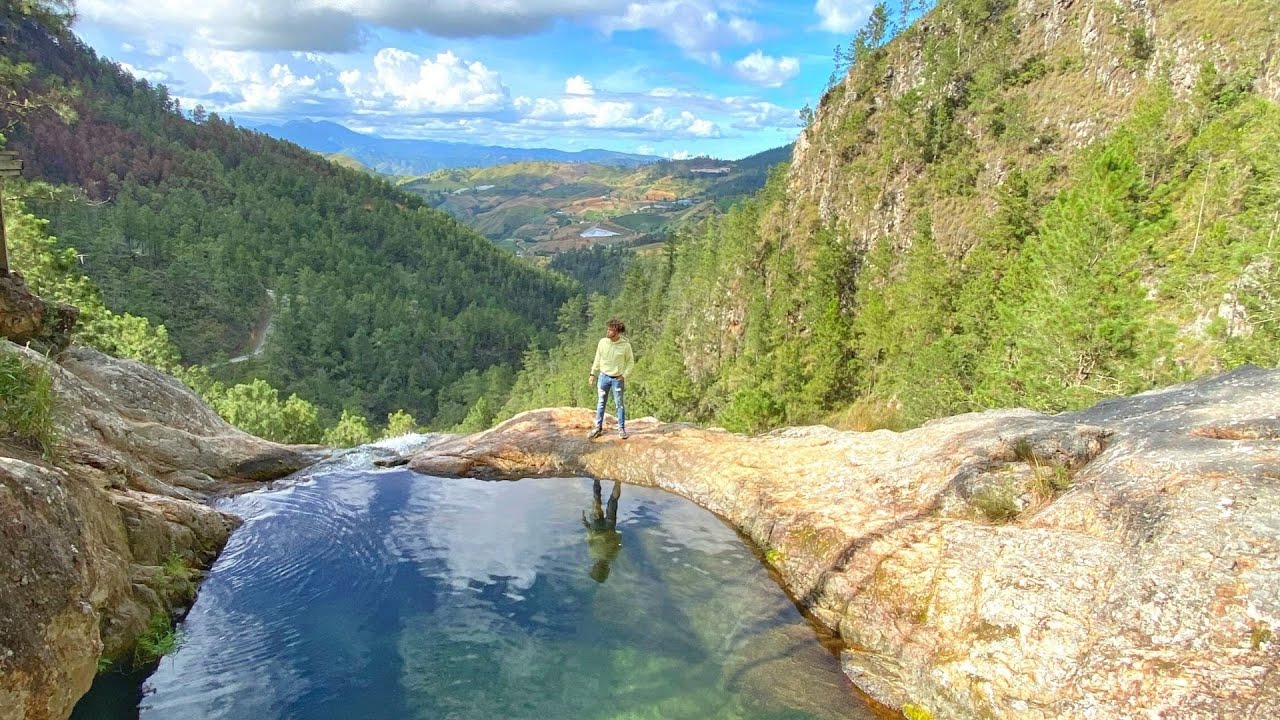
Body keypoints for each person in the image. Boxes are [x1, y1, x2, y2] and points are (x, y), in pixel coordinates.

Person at [588, 318, 635, 440]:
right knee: (601, 403)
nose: (607, 331)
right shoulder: (603, 342)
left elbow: (630, 362)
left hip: (617, 380)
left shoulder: (625, 346)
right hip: (603, 377)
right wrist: (593, 373)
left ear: (617, 332)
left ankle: (621, 429)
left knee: (619, 404)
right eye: (608, 329)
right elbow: (597, 357)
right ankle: (597, 428)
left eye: (610, 330)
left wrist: (624, 375)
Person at [582, 479, 622, 583]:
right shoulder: (593, 553)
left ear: (607, 570)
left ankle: (618, 480)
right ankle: (597, 477)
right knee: (596, 500)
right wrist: (586, 525)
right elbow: (590, 536)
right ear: (596, 568)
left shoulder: (613, 555)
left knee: (613, 501)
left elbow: (619, 538)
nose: (592, 567)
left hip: (610, 526)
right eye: (593, 569)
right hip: (596, 526)